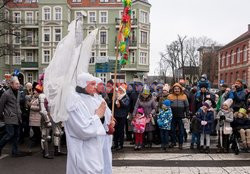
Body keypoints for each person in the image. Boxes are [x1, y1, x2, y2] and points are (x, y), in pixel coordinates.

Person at [64, 73, 107, 174]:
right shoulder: (73, 102)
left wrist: (103, 118)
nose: (95, 86)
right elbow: (83, 129)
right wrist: (98, 116)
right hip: (81, 150)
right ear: (83, 84)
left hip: (92, 148)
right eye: (92, 84)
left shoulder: (89, 99)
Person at [0, 76, 23, 157]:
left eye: (19, 83)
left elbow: (17, 105)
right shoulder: (6, 94)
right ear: (11, 84)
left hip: (18, 117)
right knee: (10, 134)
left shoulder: (19, 92)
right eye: (17, 84)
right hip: (9, 117)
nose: (18, 85)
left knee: (16, 136)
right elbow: (1, 106)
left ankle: (15, 152)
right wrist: (1, 117)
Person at [94, 77, 114, 174]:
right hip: (101, 133)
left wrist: (112, 120)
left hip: (106, 134)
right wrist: (107, 126)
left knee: (107, 159)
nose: (103, 86)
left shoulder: (101, 98)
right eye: (101, 84)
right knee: (100, 160)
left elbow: (107, 113)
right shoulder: (93, 100)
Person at [167, 83, 189, 149]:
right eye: (175, 89)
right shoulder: (170, 96)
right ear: (173, 89)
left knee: (181, 131)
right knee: (172, 130)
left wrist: (187, 115)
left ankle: (180, 143)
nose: (177, 90)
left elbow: (187, 106)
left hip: (181, 116)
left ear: (180, 89)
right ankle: (173, 142)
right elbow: (167, 106)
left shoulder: (184, 96)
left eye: (178, 89)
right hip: (172, 116)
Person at [113, 85, 130, 150]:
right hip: (116, 115)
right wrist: (114, 99)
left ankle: (120, 144)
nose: (119, 91)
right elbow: (112, 105)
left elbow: (125, 105)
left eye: (121, 90)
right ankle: (115, 143)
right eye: (119, 90)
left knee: (120, 130)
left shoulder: (126, 97)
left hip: (122, 115)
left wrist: (119, 100)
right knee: (115, 130)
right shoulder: (116, 97)